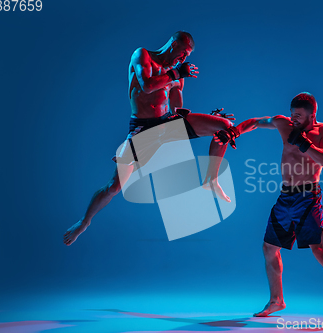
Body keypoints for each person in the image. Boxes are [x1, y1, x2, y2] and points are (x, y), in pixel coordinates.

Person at [64, 31, 237, 246]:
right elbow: (146, 85)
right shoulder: (143, 55)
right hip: (143, 128)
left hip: (167, 122)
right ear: (173, 44)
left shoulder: (177, 72)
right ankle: (84, 222)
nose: (184, 58)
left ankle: (211, 180)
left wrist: (208, 118)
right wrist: (175, 74)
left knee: (225, 127)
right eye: (183, 52)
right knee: (114, 187)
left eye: (188, 55)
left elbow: (177, 108)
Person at [215, 92, 323, 327]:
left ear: (312, 113)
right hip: (285, 196)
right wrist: (235, 131)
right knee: (269, 248)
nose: (294, 119)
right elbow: (258, 122)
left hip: (308, 197)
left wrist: (305, 145)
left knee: (319, 250)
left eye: (298, 115)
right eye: (292, 114)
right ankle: (277, 300)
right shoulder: (284, 124)